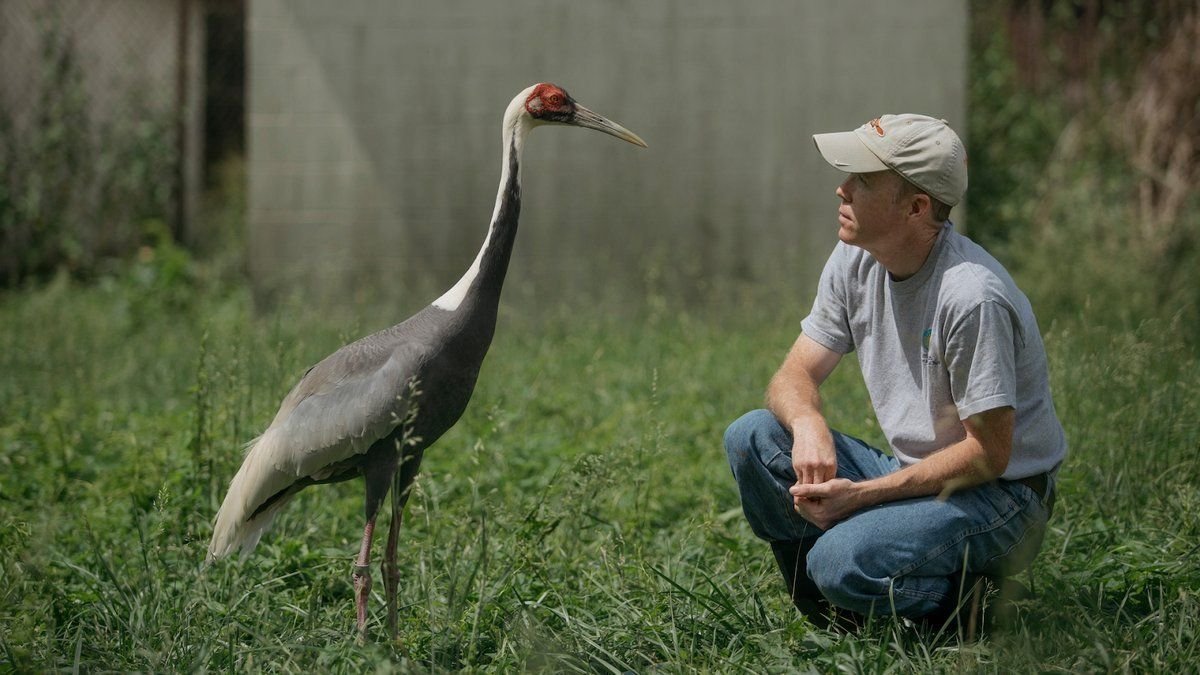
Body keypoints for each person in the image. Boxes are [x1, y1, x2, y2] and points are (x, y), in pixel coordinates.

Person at [723, 114, 1066, 627]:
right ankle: (835, 616)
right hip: (915, 474)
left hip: (1002, 498)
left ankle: (970, 607)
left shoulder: (971, 297)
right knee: (751, 436)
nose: (840, 190)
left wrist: (859, 497)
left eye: (862, 180)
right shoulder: (852, 258)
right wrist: (809, 425)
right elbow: (793, 375)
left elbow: (988, 455)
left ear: (916, 207)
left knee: (838, 559)